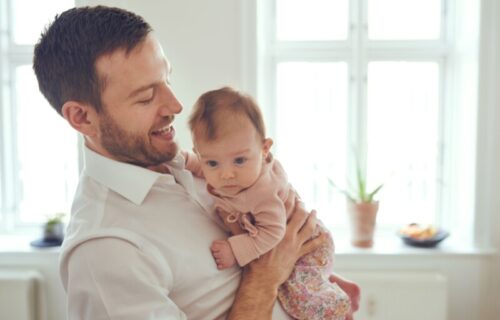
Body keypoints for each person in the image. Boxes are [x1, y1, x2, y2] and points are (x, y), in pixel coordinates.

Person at [33, 5, 359, 320]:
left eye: (167, 80)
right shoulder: (105, 252)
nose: (175, 105)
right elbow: (263, 270)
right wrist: (264, 279)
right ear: (81, 117)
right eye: (146, 97)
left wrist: (312, 286)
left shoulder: (180, 162)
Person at [181, 86, 356, 319]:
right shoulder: (231, 171)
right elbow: (203, 167)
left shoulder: (263, 193)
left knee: (299, 297)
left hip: (308, 242)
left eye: (239, 160)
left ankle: (335, 307)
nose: (226, 174)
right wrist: (188, 162)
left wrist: (236, 249)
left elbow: (273, 232)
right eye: (212, 163)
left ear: (264, 149)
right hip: (285, 239)